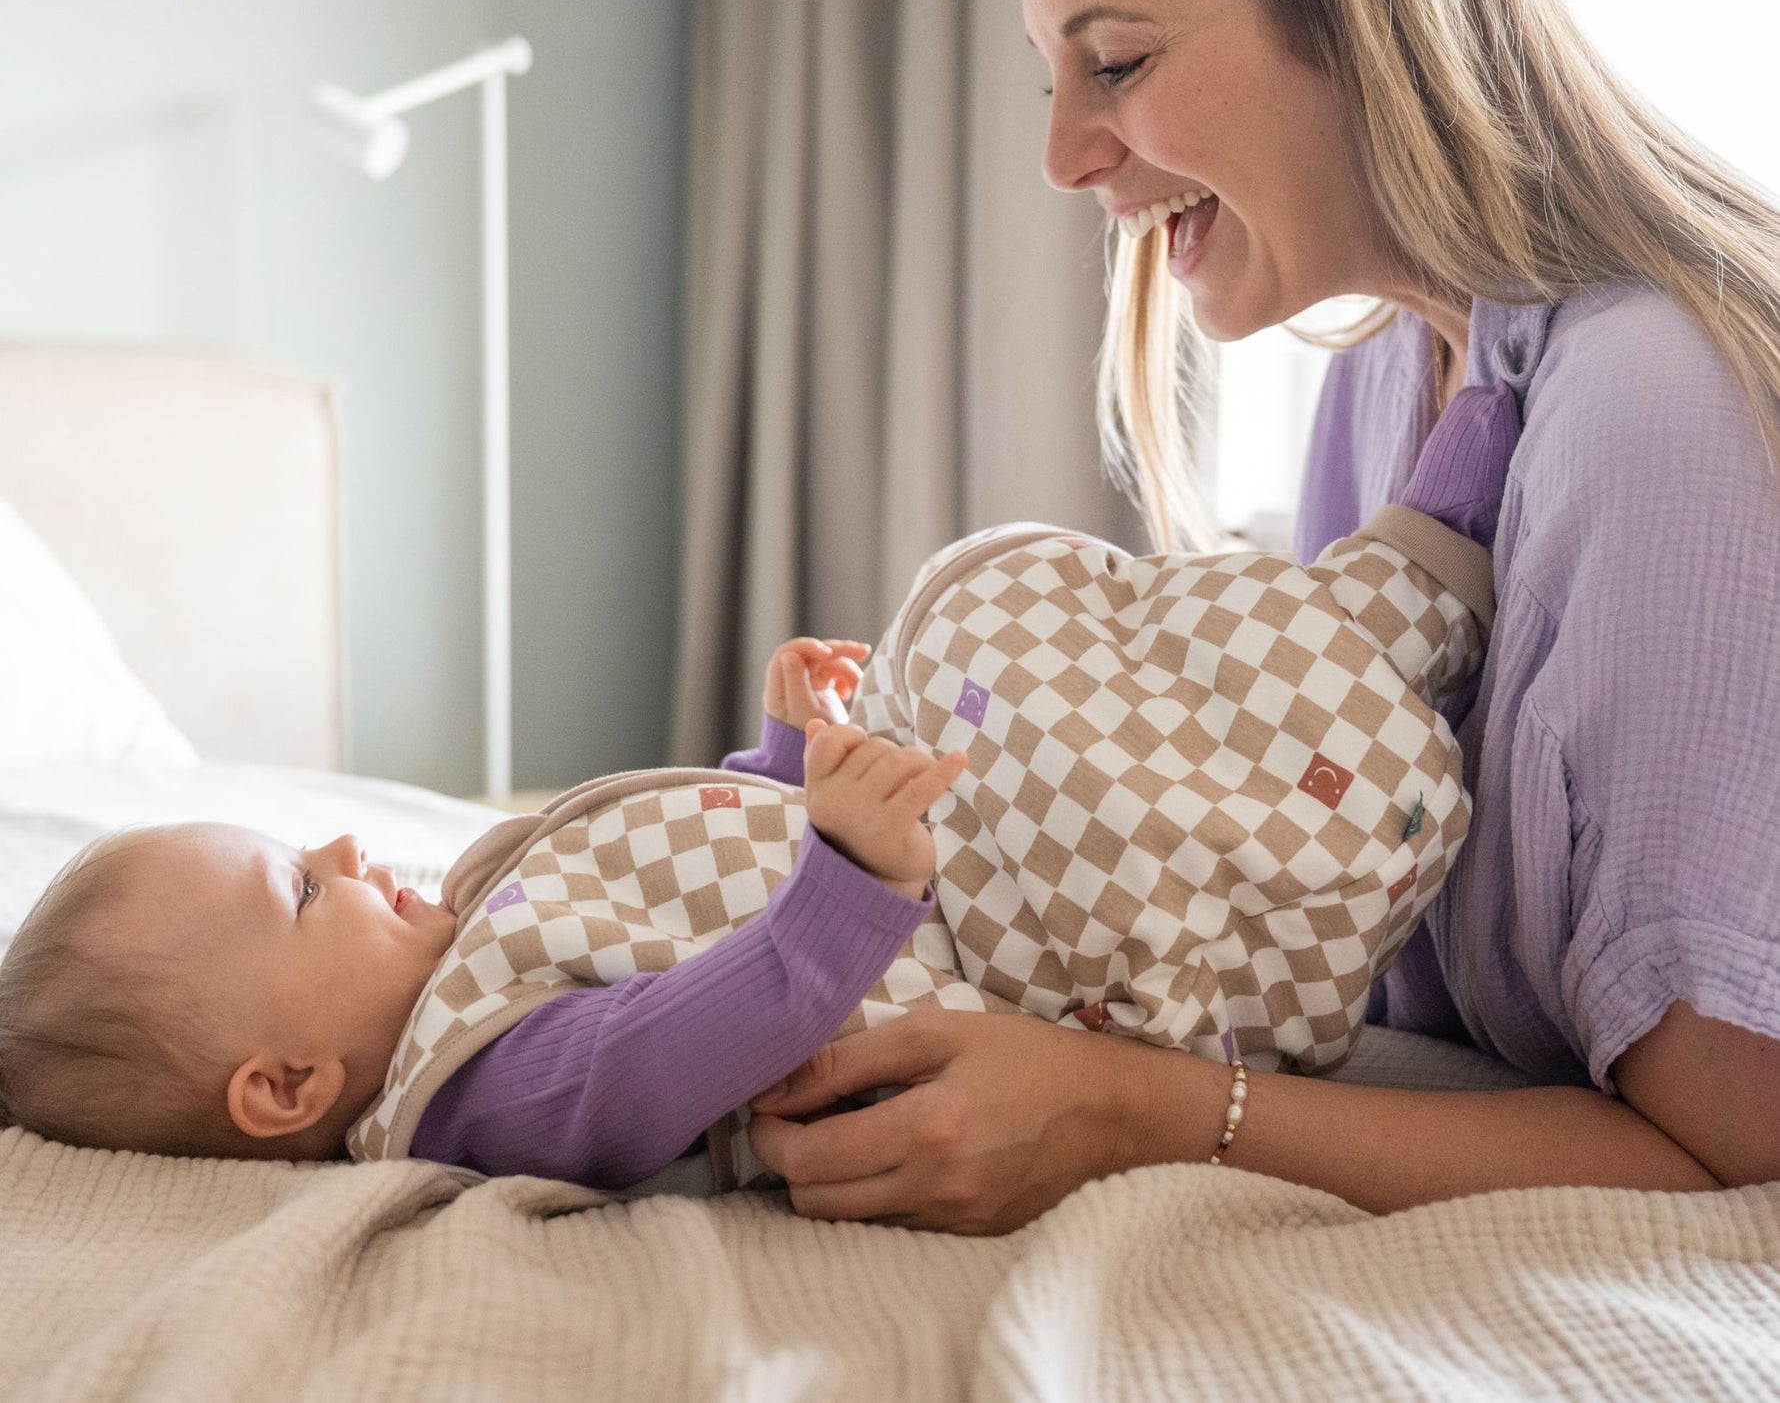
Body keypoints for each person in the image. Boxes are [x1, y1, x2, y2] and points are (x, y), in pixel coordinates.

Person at [744, 0, 1780, 1231]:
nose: (1067, 156)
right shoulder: (1379, 390)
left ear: (1367, 12)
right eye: (1051, 80)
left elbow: (1740, 1143)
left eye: (1121, 61)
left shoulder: (1655, 410)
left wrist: (1128, 1112)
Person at [0, 384, 1511, 1186]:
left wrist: (791, 761)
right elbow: (713, 1021)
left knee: (1021, 648)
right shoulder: (484, 1086)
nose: (342, 841)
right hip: (1022, 974)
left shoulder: (475, 925)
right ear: (283, 1089)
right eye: (297, 886)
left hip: (932, 886)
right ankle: (1405, 603)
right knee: (1061, 707)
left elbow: (687, 878)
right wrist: (851, 872)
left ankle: (1395, 589)